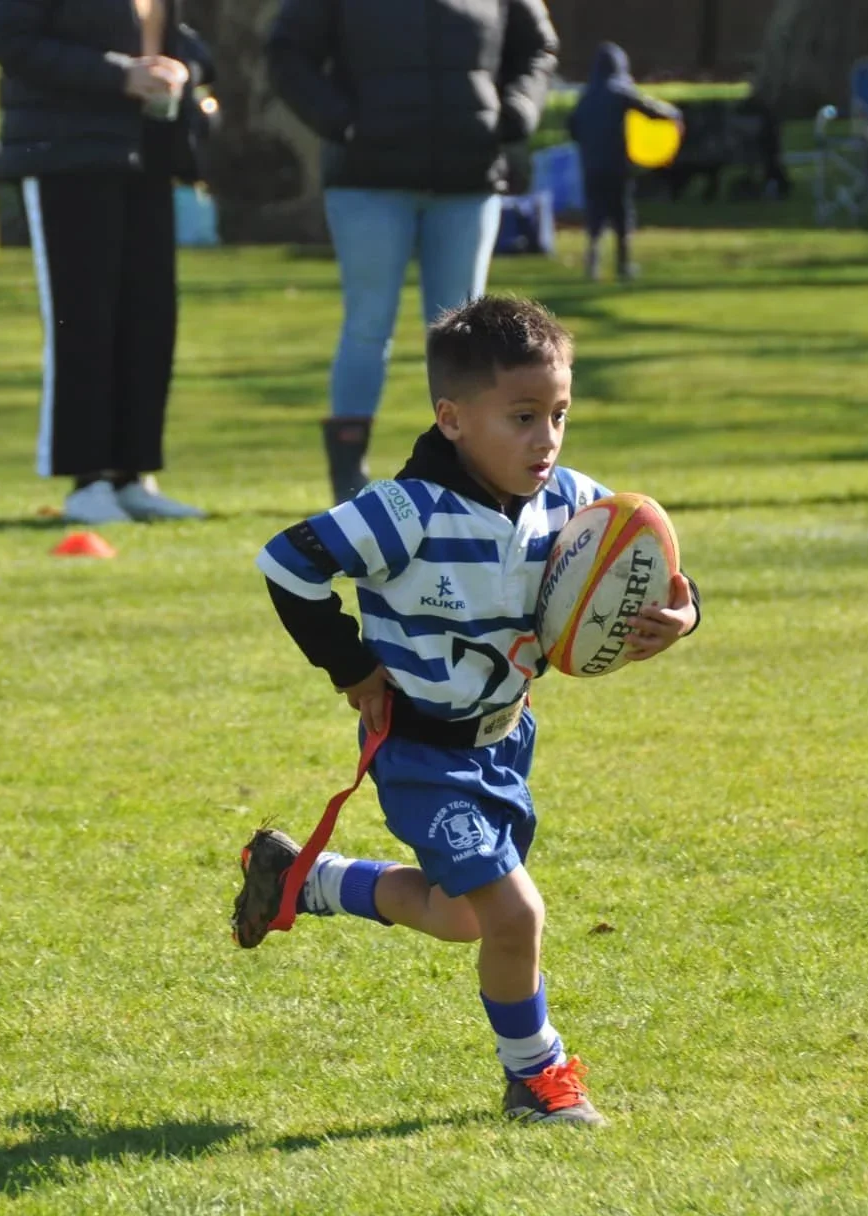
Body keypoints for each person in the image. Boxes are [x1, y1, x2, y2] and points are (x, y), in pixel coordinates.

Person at [233, 296, 701, 1127]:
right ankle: (537, 1079)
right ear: (452, 420)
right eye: (522, 417)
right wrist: (353, 667)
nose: (546, 439)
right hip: (420, 752)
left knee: (459, 918)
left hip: (504, 743)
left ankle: (303, 878)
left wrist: (681, 613)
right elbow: (286, 564)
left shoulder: (571, 503)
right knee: (516, 915)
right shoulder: (406, 512)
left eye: (559, 414)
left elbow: (649, 564)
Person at [269, 0, 559, 505]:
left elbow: (537, 47)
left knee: (466, 336)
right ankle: (350, 483)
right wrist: (341, 121)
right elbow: (286, 51)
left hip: (468, 178)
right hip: (367, 176)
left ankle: (467, 477)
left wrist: (516, 110)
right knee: (367, 323)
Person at [0, 0, 212, 524]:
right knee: (82, 320)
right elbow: (15, 44)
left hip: (147, 150)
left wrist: (186, 67)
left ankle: (132, 475)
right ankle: (87, 480)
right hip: (66, 153)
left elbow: (169, 36)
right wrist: (119, 76)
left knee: (148, 318)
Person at [566, 41, 679, 283]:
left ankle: (592, 264)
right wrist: (672, 114)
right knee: (621, 213)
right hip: (616, 165)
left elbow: (573, 128)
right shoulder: (620, 92)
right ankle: (623, 264)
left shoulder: (585, 97)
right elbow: (649, 109)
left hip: (591, 166)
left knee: (595, 213)